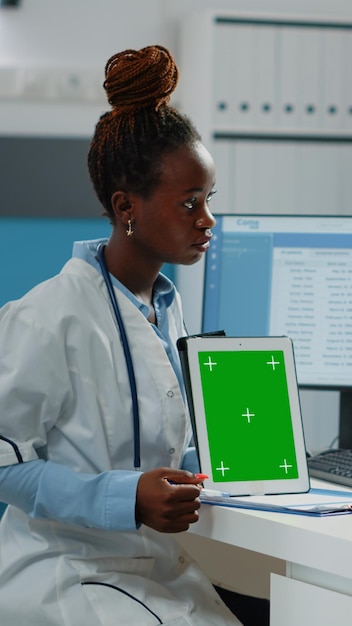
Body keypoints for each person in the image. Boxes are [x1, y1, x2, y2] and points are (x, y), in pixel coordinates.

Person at [0, 45, 269, 626]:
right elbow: (3, 463)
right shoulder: (50, 314)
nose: (208, 220)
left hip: (154, 564)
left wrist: (236, 464)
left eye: (210, 200)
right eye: (188, 203)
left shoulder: (162, 307)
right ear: (127, 207)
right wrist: (125, 497)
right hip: (66, 568)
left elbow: (154, 446)